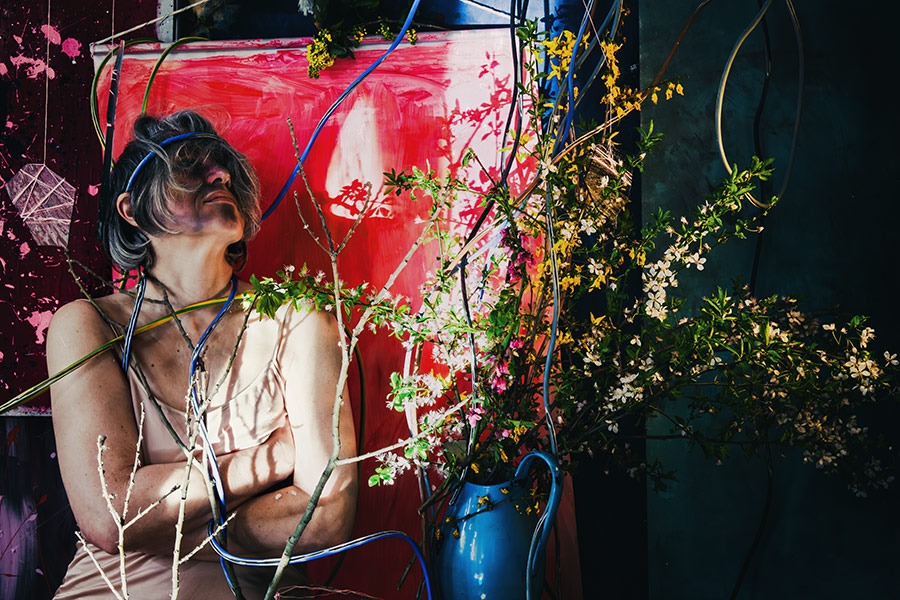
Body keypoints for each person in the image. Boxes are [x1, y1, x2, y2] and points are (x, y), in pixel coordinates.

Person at [47, 111, 358, 599]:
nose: (220, 175)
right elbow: (110, 517)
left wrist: (159, 524)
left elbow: (326, 519)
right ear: (132, 209)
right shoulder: (89, 325)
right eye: (191, 166)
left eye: (224, 168)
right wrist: (271, 458)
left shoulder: (298, 321)